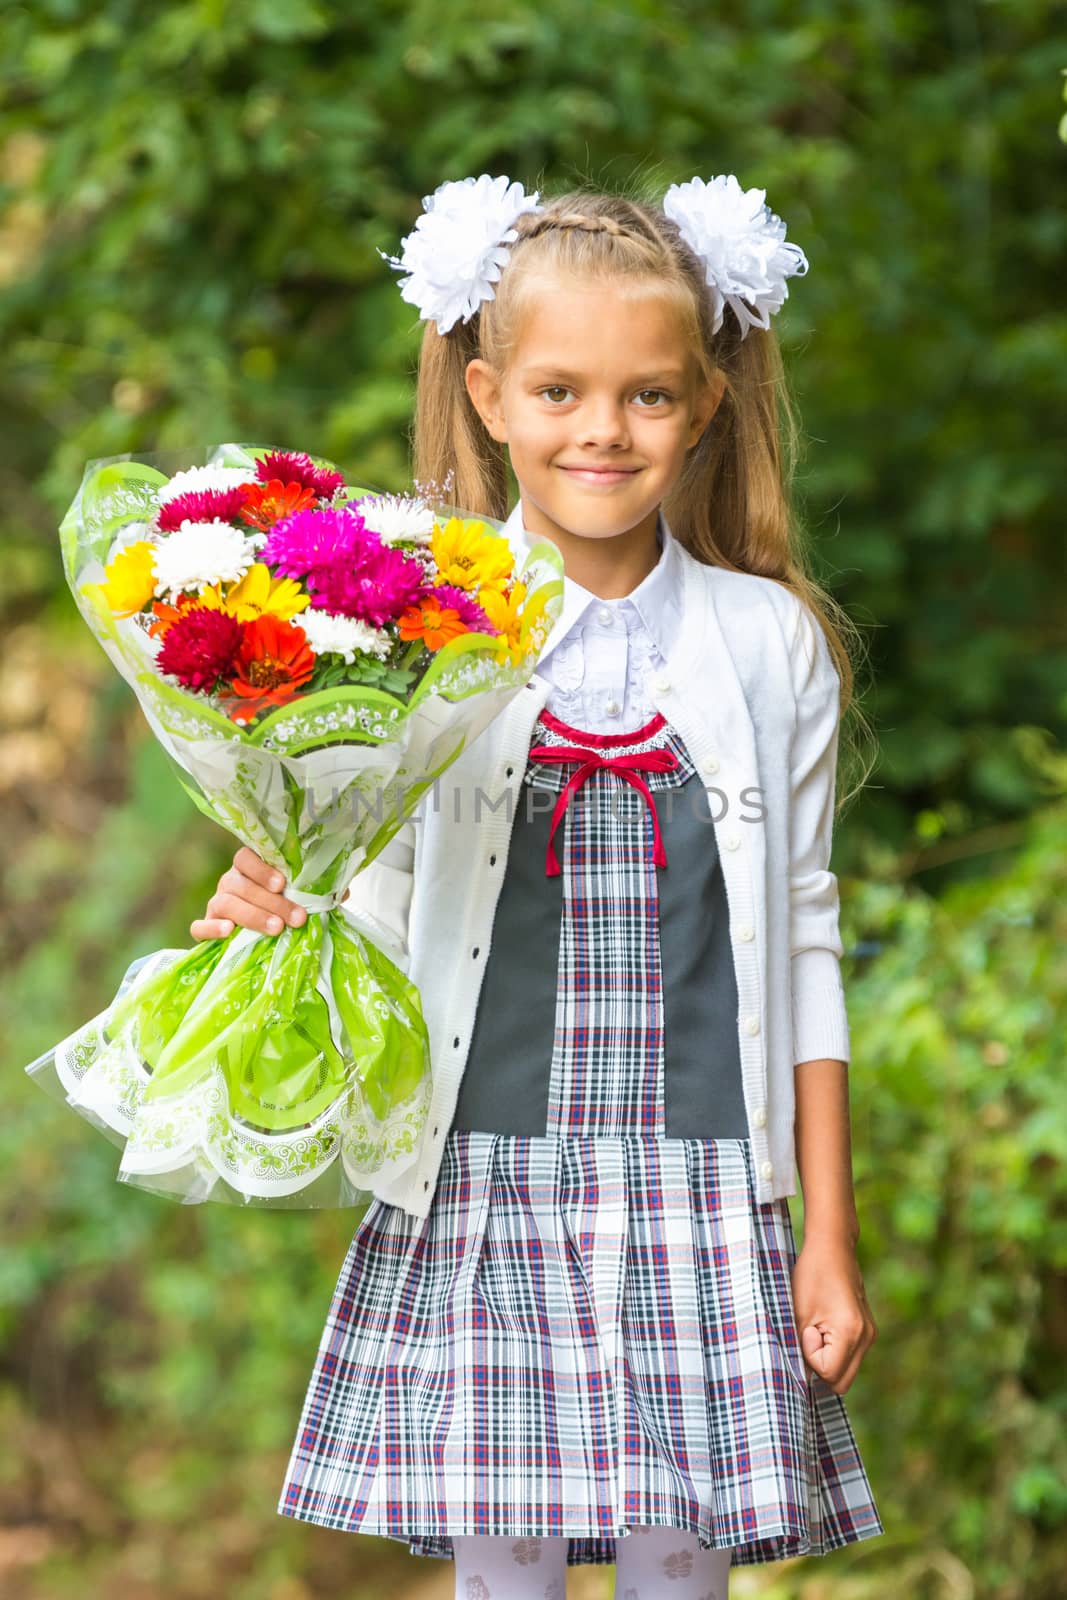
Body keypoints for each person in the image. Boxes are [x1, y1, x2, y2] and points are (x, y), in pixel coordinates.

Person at [191, 173, 884, 1598]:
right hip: (485, 1184)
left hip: (705, 1196)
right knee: (501, 1571)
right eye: (561, 390)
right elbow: (358, 887)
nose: (601, 430)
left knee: (681, 1571)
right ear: (491, 393)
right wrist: (279, 888)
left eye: (645, 395)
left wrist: (828, 1233)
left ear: (703, 406)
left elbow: (805, 945)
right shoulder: (407, 633)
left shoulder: (770, 645)